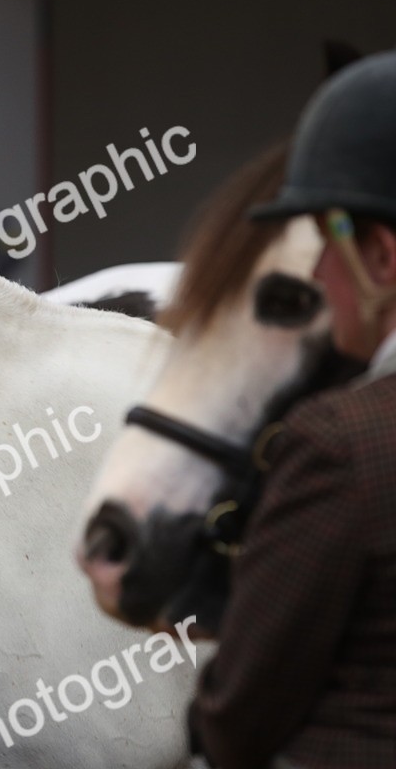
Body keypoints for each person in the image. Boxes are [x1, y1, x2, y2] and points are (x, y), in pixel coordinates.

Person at [189, 52, 396, 768]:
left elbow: (235, 717)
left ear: (383, 258)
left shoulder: (342, 446)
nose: (315, 274)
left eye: (325, 244)